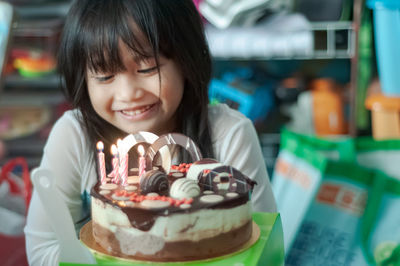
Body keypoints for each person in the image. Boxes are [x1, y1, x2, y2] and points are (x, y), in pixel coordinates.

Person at [24, 0, 277, 265]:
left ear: (186, 60)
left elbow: (263, 249)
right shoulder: (74, 134)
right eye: (104, 76)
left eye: (147, 68)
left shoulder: (228, 133)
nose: (128, 93)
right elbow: (44, 250)